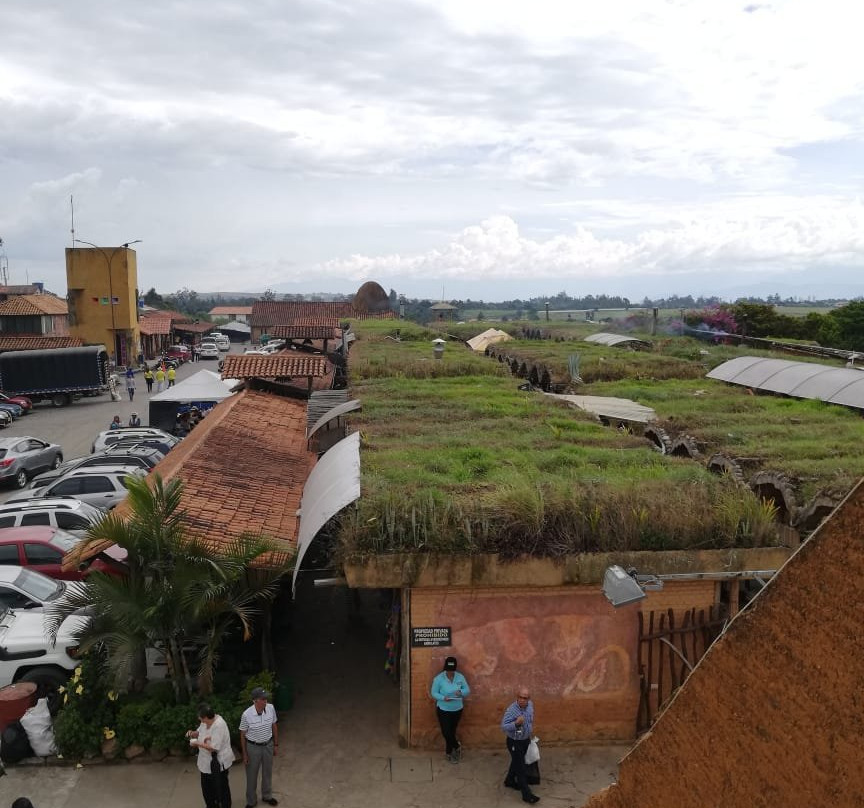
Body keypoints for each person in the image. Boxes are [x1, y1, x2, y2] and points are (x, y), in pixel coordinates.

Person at [187, 704, 233, 808]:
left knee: (221, 788)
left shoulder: (219, 725)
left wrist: (196, 743)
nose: (199, 719)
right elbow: (199, 731)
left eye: (201, 718)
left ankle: (225, 805)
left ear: (207, 717)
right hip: (205, 763)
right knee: (207, 789)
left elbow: (214, 747)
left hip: (219, 763)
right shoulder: (204, 722)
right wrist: (193, 733)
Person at [239, 686, 279, 808]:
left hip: (268, 745)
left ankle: (267, 796)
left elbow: (274, 726)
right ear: (255, 700)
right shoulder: (246, 715)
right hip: (253, 747)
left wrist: (276, 744)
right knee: (252, 775)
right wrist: (245, 754)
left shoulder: (271, 708)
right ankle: (251, 801)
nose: (265, 700)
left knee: (267, 772)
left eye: (266, 697)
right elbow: (242, 735)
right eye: (263, 698)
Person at [501, 686, 540, 804]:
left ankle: (509, 781)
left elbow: (530, 719)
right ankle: (526, 795)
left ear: (529, 699)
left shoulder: (530, 706)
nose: (523, 700)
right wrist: (516, 723)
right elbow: (503, 726)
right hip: (514, 742)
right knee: (521, 768)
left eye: (525, 698)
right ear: (517, 697)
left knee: (517, 761)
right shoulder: (511, 710)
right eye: (520, 697)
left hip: (525, 740)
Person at [430, 656, 470, 762]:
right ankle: (457, 746)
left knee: (452, 731)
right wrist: (443, 698)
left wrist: (461, 692)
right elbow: (433, 693)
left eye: (452, 670)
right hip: (443, 709)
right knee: (446, 732)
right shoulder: (438, 679)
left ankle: (449, 753)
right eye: (448, 670)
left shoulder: (460, 677)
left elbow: (467, 690)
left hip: (457, 709)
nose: (450, 672)